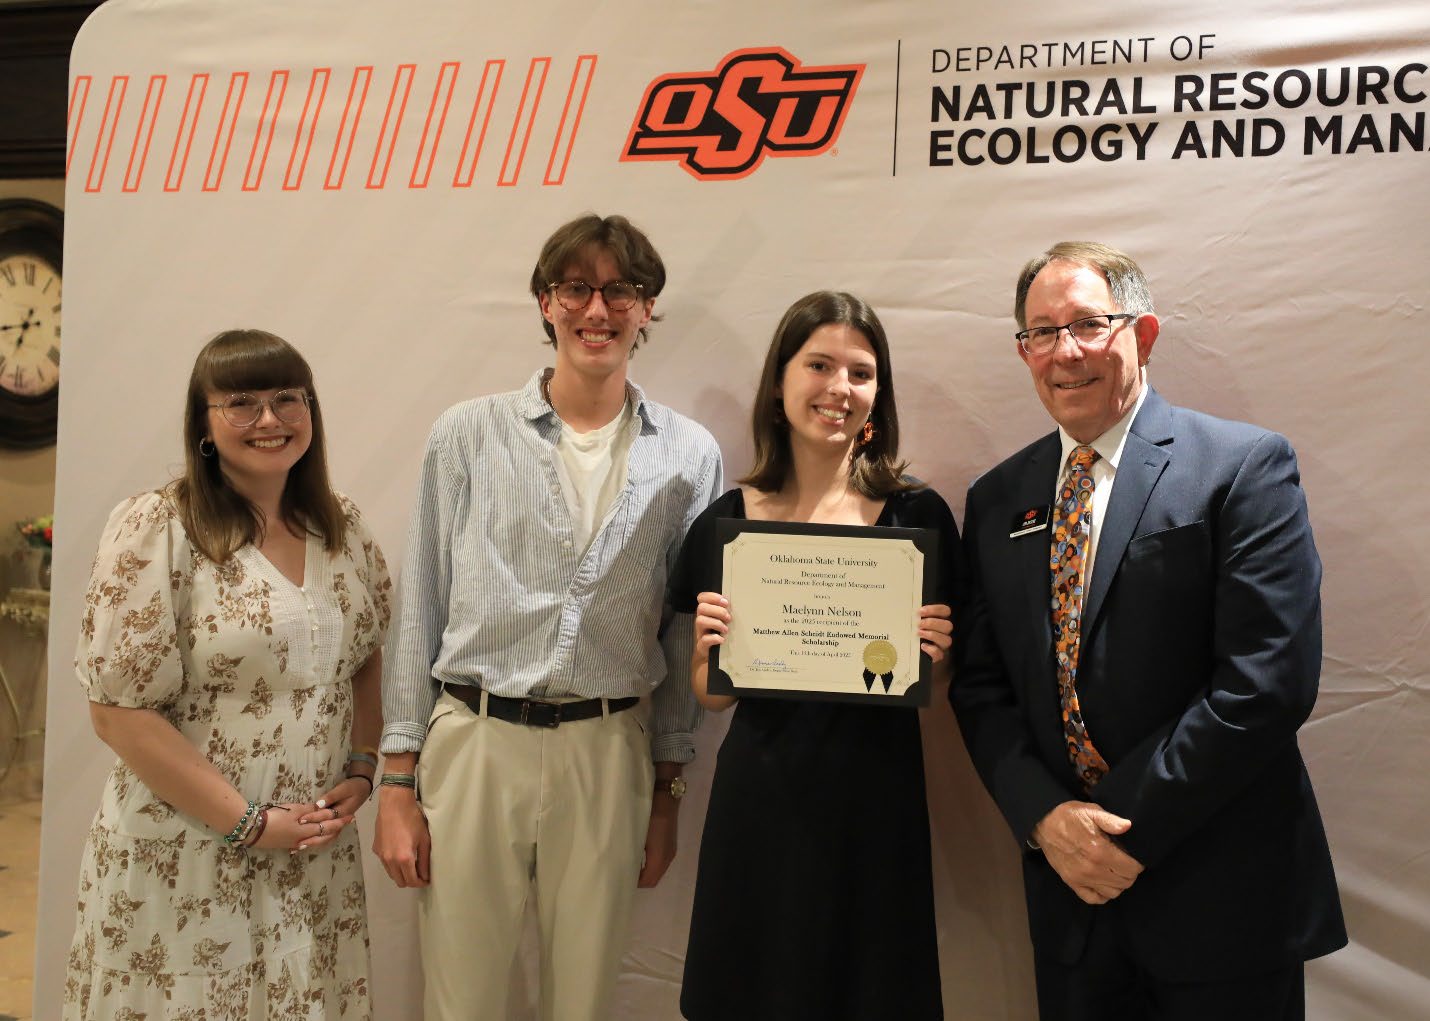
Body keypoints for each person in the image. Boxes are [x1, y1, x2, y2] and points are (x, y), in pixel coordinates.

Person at [950, 242, 1346, 1020]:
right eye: (1040, 332)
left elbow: (1266, 682)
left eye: (1088, 324)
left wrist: (1118, 828)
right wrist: (1047, 818)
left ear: (1146, 333)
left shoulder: (1242, 466)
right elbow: (982, 683)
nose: (1065, 352)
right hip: (1074, 903)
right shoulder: (998, 498)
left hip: (1222, 901)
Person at [373, 213, 723, 1021]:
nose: (596, 310)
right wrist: (397, 780)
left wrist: (667, 788)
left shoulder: (689, 454)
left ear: (646, 308)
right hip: (475, 740)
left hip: (607, 750)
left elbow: (680, 630)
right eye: (576, 288)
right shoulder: (467, 434)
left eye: (620, 291)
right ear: (545, 301)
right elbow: (421, 599)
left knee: (585, 999)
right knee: (461, 1000)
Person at [64, 329, 391, 1019]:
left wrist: (363, 767)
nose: (269, 419)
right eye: (241, 401)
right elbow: (117, 712)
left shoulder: (343, 528)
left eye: (285, 398)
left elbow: (363, 655)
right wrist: (245, 822)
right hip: (187, 850)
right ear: (204, 424)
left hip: (311, 854)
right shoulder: (160, 528)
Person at [672, 291, 959, 1021]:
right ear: (779, 381)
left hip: (877, 797)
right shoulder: (726, 521)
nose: (840, 389)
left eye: (861, 373)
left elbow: (934, 685)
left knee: (870, 991)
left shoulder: (917, 516)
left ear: (878, 395)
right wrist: (711, 648)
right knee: (755, 989)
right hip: (762, 798)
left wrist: (938, 652)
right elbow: (710, 693)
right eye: (820, 365)